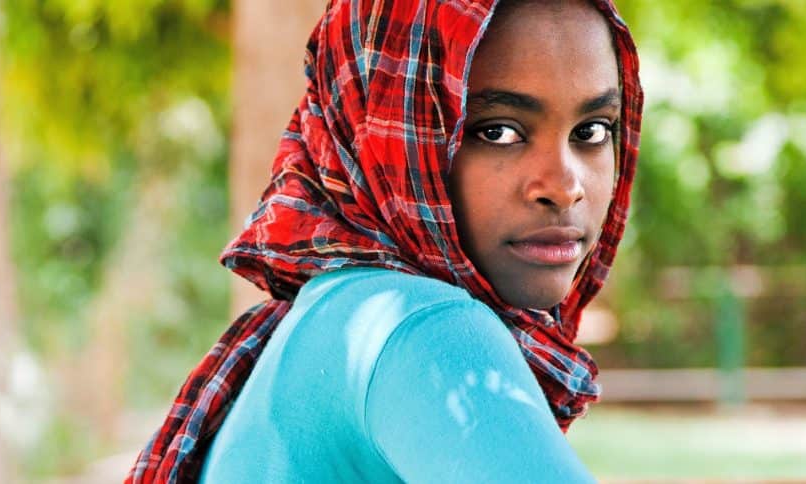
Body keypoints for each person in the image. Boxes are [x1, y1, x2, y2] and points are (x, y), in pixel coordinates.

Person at [127, 0, 642, 482]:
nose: (564, 186)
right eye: (497, 131)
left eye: (592, 130)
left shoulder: (337, 312)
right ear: (381, 132)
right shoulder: (423, 329)